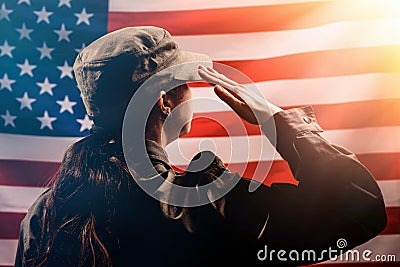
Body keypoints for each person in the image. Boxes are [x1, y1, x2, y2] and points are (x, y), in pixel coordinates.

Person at [15, 26, 387, 267]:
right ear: (164, 101)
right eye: (187, 83)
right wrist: (277, 120)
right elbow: (359, 208)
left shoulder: (44, 213)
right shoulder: (203, 202)